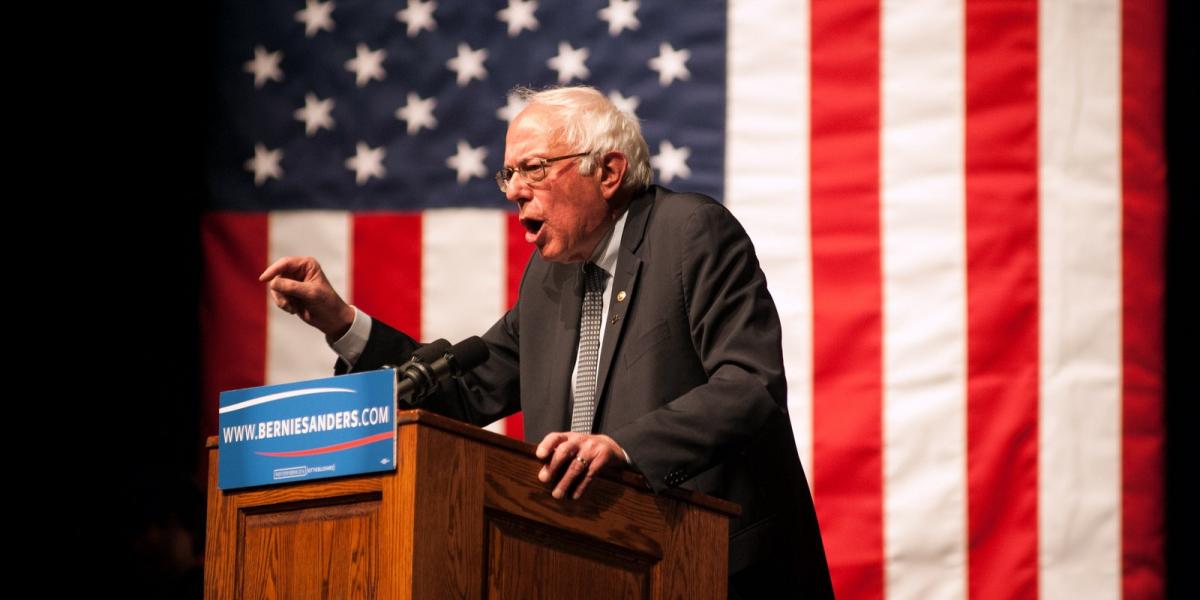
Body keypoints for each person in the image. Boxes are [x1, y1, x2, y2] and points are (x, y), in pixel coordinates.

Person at [260, 85, 833, 598]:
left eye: (532, 169)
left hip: (720, 568)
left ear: (608, 172)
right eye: (508, 175)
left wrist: (623, 447)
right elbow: (463, 394)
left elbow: (749, 382)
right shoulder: (549, 277)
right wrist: (342, 323)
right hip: (594, 567)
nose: (515, 192)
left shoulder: (690, 233)